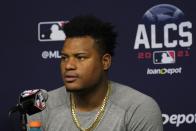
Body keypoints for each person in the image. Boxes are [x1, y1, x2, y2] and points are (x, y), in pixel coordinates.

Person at [28, 15, 163, 131]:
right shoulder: (41, 106)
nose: (68, 65)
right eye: (64, 58)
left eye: (80, 57)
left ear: (105, 61)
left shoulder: (138, 108)